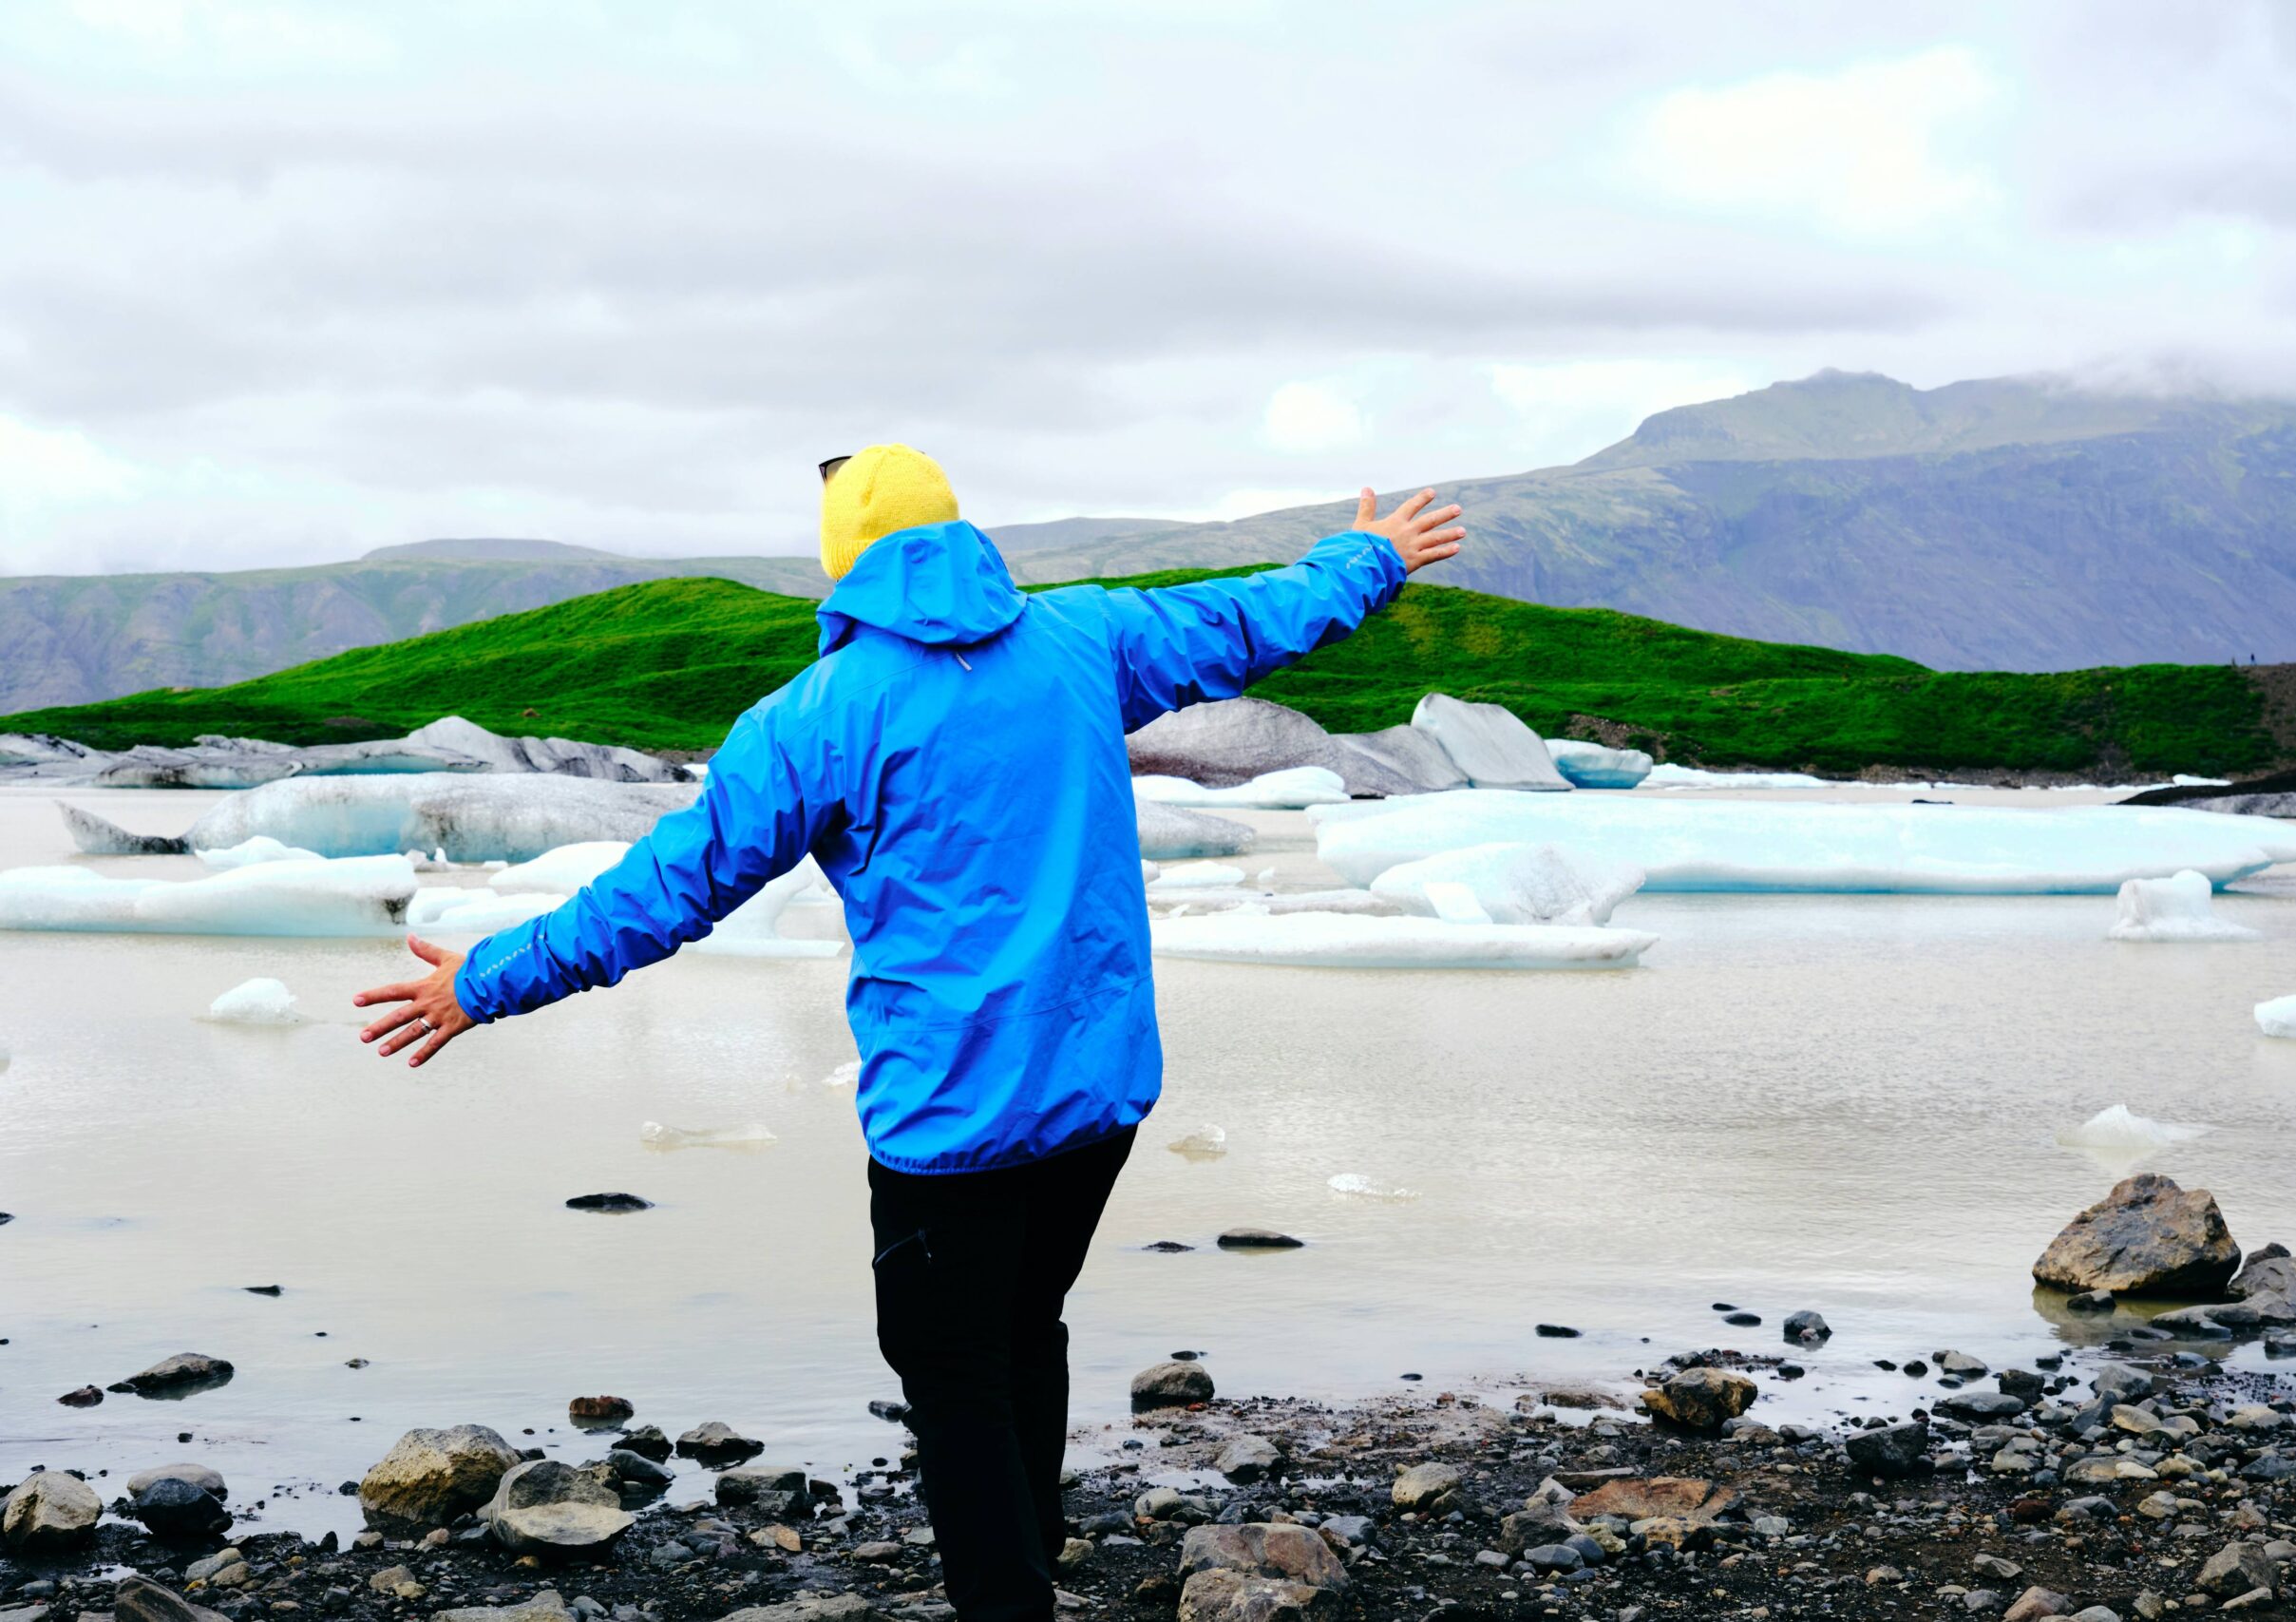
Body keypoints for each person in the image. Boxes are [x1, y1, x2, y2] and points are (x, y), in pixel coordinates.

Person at [353, 444, 1465, 1622]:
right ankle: (1035, 1547)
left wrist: (488, 982)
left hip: (953, 1118)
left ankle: (1008, 1598)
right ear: (955, 530)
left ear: (843, 563)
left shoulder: (817, 716)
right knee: (1023, 1323)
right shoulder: (1086, 637)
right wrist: (1372, 557)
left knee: (948, 1372)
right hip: (1097, 1096)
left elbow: (663, 894)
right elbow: (1258, 616)